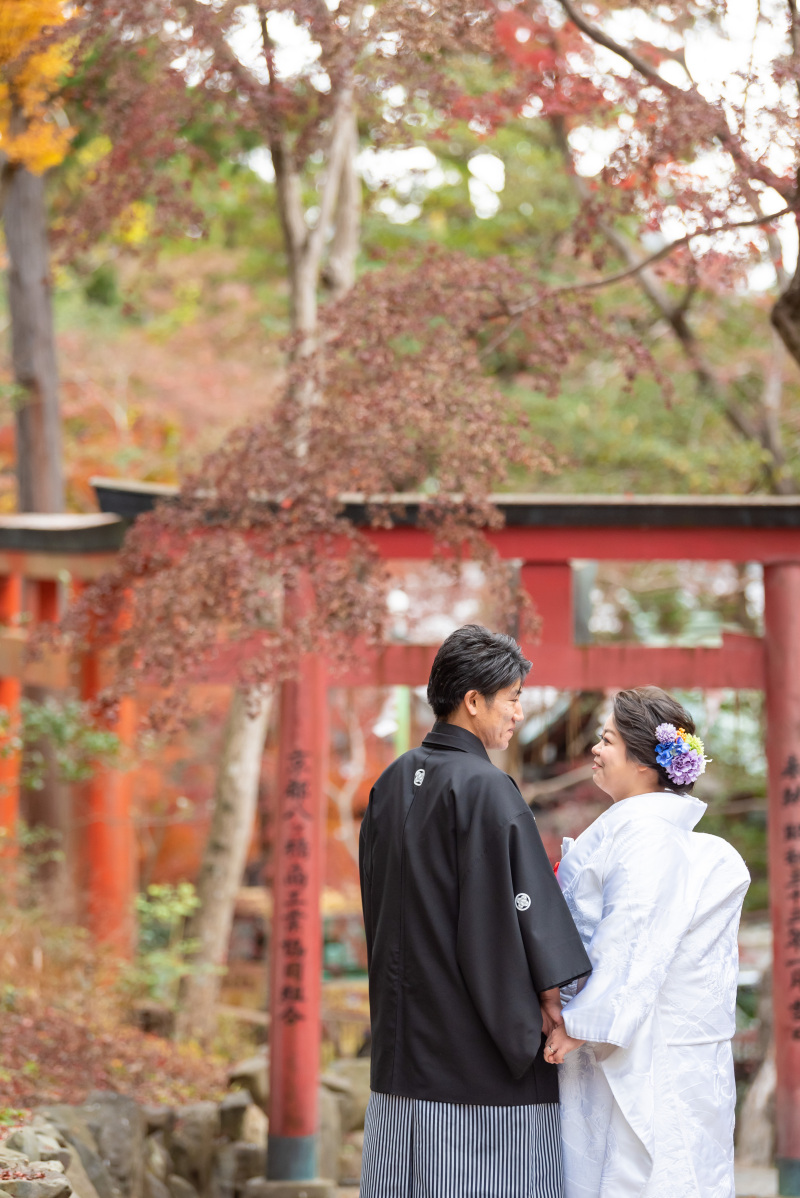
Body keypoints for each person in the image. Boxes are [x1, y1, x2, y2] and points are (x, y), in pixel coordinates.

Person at [359, 624, 591, 1198]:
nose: (517, 713)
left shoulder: (389, 783)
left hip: (401, 1056)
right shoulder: (487, 787)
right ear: (473, 701)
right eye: (512, 698)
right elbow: (520, 910)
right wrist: (553, 999)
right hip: (475, 1069)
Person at [545, 687, 750, 1198]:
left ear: (643, 763)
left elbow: (634, 935)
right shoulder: (642, 827)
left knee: (638, 1173)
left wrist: (580, 1023)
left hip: (634, 1040)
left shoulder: (648, 834)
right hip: (639, 1031)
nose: (596, 748)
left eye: (607, 740)